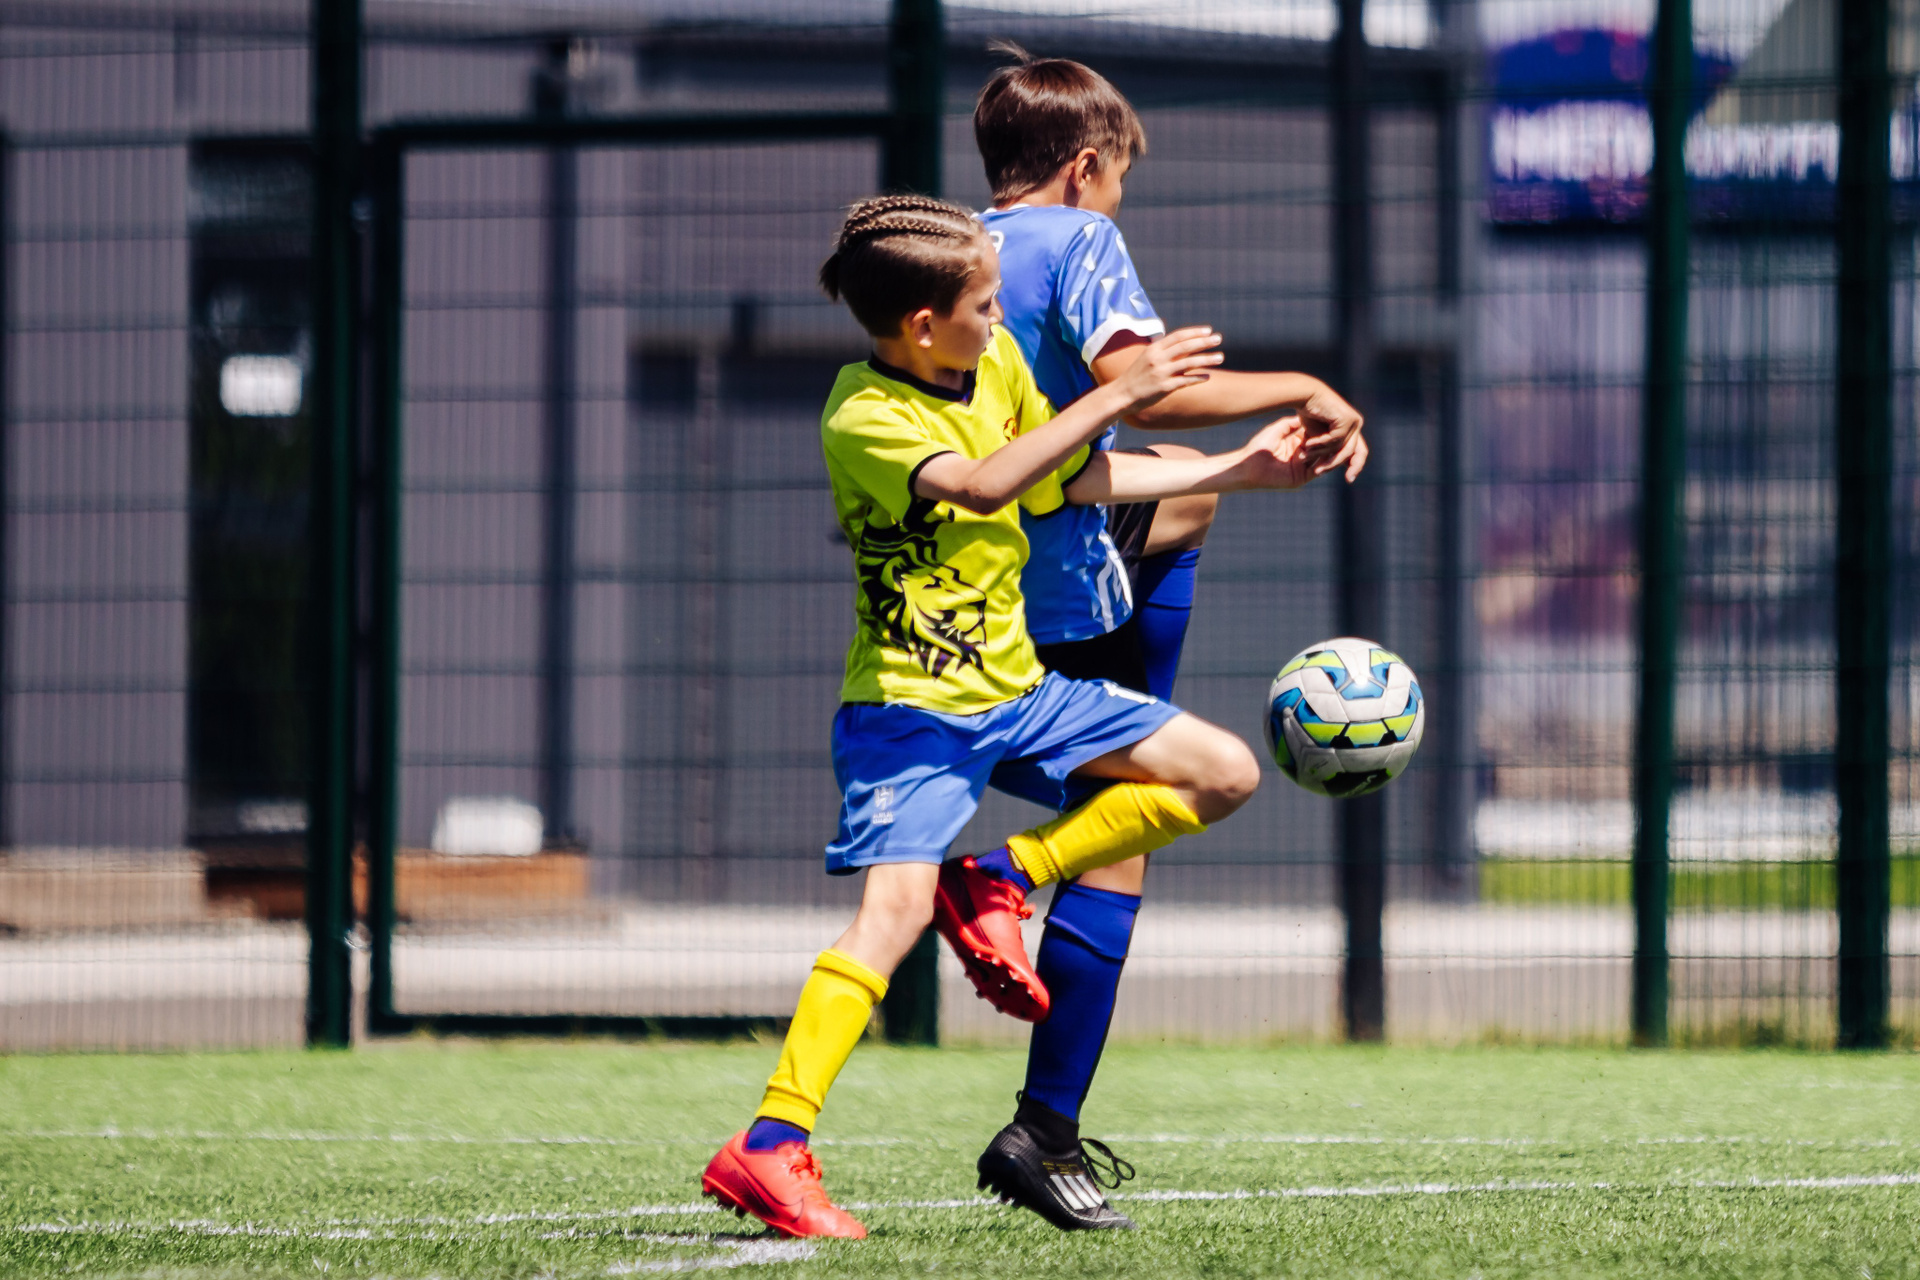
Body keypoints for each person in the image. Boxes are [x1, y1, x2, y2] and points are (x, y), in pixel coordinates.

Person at [699, 195, 1307, 1239]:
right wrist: (1118, 391)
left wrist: (1236, 471)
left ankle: (1002, 875)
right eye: (983, 306)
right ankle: (769, 1143)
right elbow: (984, 486)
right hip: (913, 712)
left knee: (1223, 771)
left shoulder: (997, 368)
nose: (998, 319)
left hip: (1020, 692)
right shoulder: (863, 413)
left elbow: (1067, 480)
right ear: (921, 326)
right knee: (890, 920)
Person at [960, 47, 1372, 1231]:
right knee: (1129, 828)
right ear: (1086, 167)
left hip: (956, 593)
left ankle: (793, 1130)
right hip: (1050, 596)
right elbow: (1146, 386)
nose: (1118, 204)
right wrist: (1303, 385)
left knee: (1189, 494)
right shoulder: (1079, 238)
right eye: (1121, 183)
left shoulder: (955, 252)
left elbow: (1085, 451)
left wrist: (1230, 466)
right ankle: (1043, 1122)